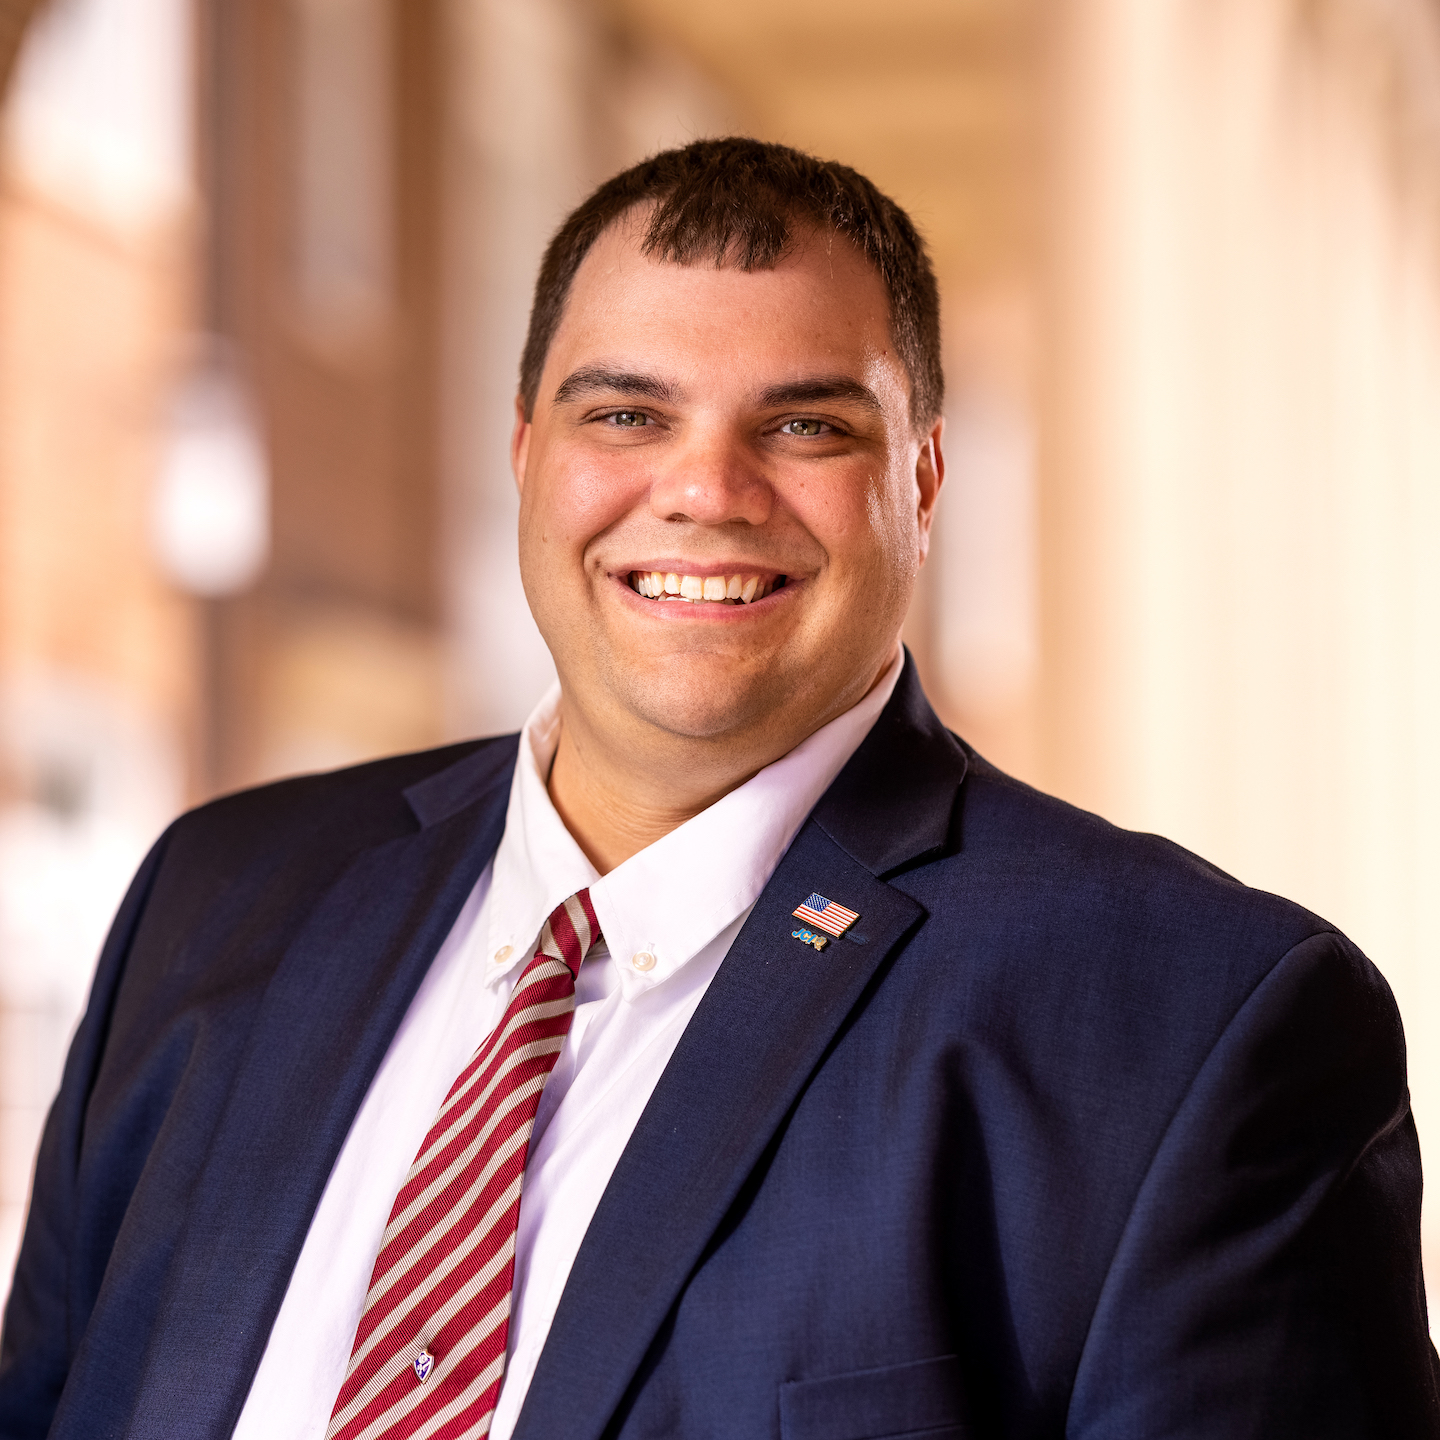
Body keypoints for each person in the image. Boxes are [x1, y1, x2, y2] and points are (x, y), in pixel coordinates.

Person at [1, 137, 1436, 1440]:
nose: (705, 491)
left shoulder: (1191, 1027)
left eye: (806, 426)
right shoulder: (216, 898)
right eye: (625, 416)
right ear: (525, 459)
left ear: (926, 483)